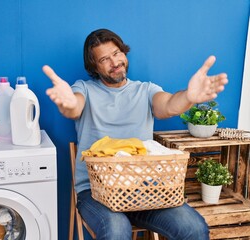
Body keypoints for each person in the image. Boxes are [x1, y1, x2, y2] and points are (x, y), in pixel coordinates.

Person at [43, 28, 228, 240]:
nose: (114, 62)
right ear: (94, 66)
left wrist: (189, 97)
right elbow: (74, 106)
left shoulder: (146, 90)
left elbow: (168, 105)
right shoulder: (85, 89)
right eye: (104, 59)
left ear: (124, 53)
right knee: (116, 229)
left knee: (193, 228)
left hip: (146, 191)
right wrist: (67, 104)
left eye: (116, 53)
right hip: (96, 193)